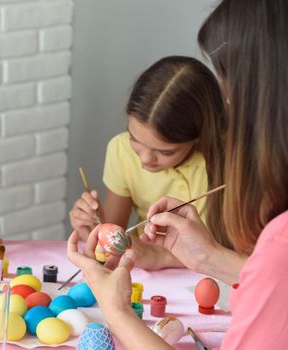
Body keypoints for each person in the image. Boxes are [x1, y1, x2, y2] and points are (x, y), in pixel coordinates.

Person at [68, 0, 288, 348]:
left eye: (230, 92)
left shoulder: (279, 240)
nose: (227, 107)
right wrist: (208, 258)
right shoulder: (276, 248)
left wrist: (118, 312)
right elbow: (265, 277)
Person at [69, 55, 228, 269]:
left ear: (199, 136)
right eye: (134, 139)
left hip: (215, 279)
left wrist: (161, 256)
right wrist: (97, 229)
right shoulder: (121, 149)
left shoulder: (231, 162)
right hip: (143, 272)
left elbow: (240, 253)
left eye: (165, 151)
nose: (145, 159)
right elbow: (116, 228)